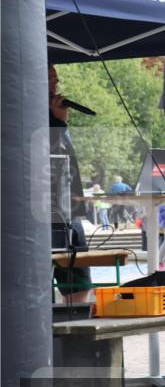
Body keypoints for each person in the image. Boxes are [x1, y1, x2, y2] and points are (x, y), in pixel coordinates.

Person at [48, 65, 94, 301]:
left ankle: (78, 327)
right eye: (50, 76)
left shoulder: (56, 115)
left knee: (80, 282)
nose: (56, 82)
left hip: (69, 209)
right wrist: (57, 123)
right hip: (45, 210)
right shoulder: (25, 111)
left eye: (56, 77)